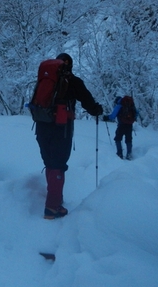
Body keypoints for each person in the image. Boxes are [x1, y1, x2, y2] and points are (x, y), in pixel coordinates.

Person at [35, 53, 103, 219]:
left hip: (42, 126)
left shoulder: (45, 80)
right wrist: (96, 110)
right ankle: (52, 207)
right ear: (69, 66)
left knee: (49, 162)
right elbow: (88, 102)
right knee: (59, 163)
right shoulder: (73, 82)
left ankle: (55, 197)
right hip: (61, 128)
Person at [103, 96, 138, 160]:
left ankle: (119, 154)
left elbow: (112, 116)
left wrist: (106, 117)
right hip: (129, 125)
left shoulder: (119, 106)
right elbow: (136, 113)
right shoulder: (131, 105)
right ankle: (129, 154)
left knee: (118, 139)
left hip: (121, 125)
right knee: (129, 139)